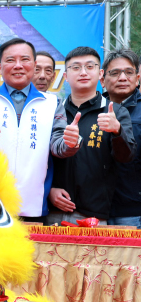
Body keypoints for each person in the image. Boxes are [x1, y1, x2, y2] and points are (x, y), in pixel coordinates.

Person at [0, 37, 80, 222]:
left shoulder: (52, 102)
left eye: (25, 59)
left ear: (34, 65)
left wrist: (71, 142)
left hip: (34, 203)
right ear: (0, 67)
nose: (18, 65)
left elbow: (58, 147)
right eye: (10, 60)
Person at [46, 47, 135, 225]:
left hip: (94, 215)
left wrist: (117, 131)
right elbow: (39, 158)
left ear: (100, 73)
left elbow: (126, 157)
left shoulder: (116, 112)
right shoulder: (52, 110)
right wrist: (49, 190)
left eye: (89, 66)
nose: (83, 72)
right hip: (53, 211)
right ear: (65, 76)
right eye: (76, 67)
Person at [102, 49, 141, 228]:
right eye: (115, 73)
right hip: (95, 209)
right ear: (102, 79)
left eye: (129, 72)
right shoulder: (92, 109)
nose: (123, 78)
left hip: (133, 211)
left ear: (137, 78)